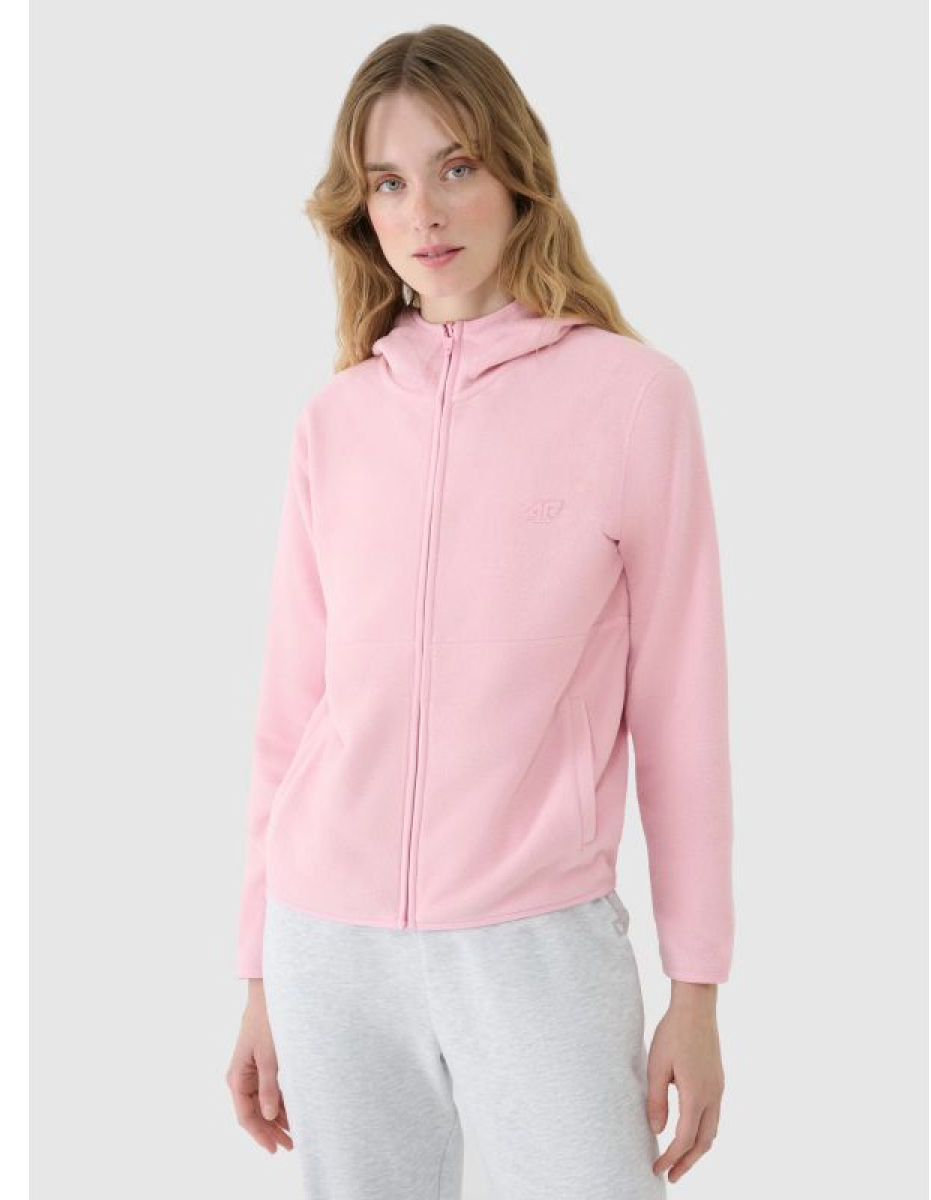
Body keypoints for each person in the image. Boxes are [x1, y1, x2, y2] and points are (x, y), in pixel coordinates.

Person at [225, 23, 735, 1198]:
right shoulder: (336, 421)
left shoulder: (635, 399)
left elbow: (683, 712)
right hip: (328, 944)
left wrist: (697, 988)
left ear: (516, 171)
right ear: (361, 211)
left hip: (535, 941)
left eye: (456, 166)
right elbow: (290, 713)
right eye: (388, 183)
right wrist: (257, 970)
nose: (426, 212)